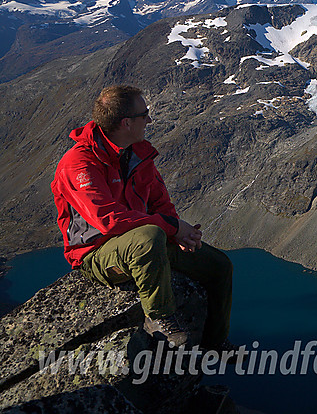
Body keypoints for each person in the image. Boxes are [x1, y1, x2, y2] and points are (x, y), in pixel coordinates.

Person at [51, 85, 232, 349]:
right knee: (150, 236)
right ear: (126, 122)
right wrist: (171, 228)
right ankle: (159, 317)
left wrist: (181, 234)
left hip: (145, 243)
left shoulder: (137, 153)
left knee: (219, 266)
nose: (149, 119)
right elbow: (108, 220)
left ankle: (216, 344)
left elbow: (160, 201)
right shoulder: (79, 163)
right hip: (97, 253)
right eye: (144, 114)